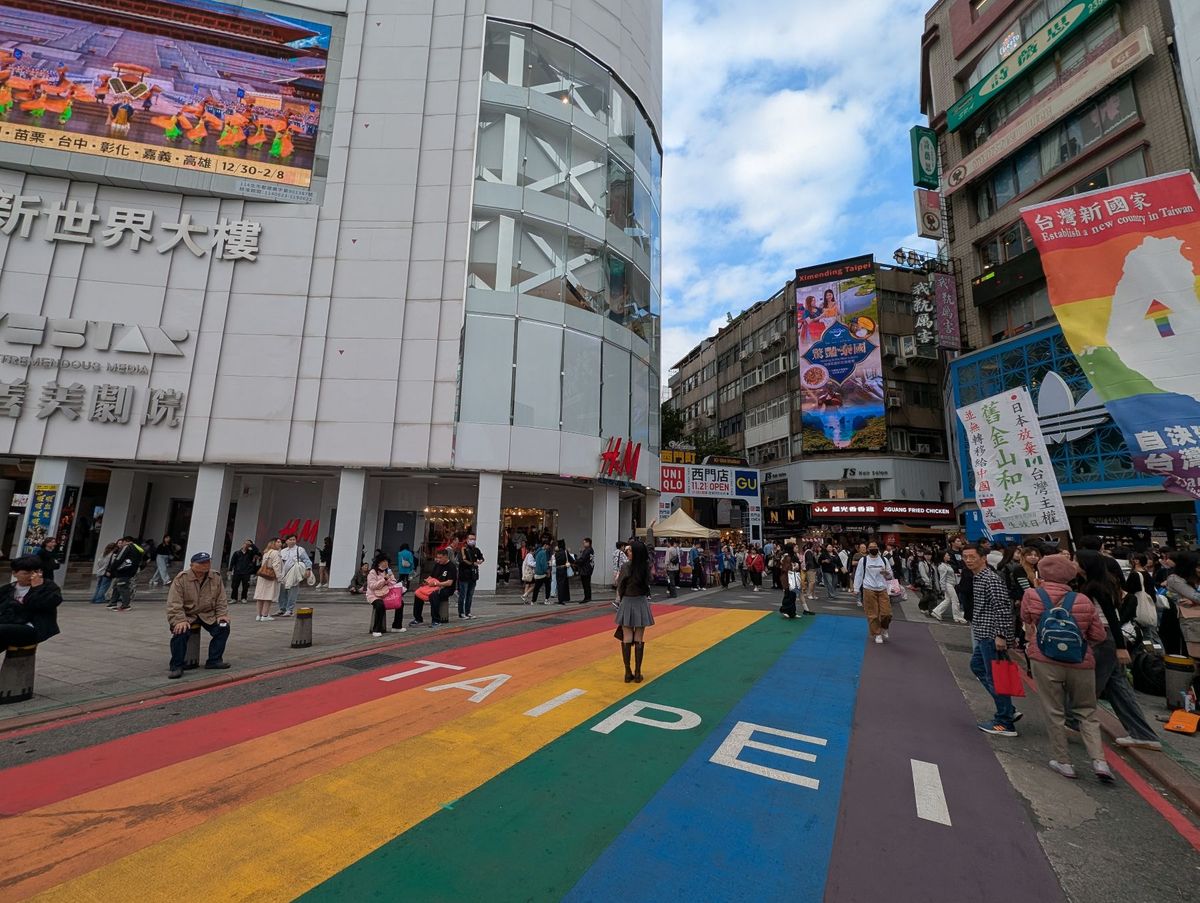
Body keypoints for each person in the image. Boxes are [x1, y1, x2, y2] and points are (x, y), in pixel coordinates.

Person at [1021, 553, 1112, 781]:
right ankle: (1100, 762)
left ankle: (1064, 762)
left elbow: (1027, 619)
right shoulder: (1082, 600)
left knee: (1054, 712)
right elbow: (1098, 635)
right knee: (1087, 712)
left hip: (1044, 659)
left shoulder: (1032, 595)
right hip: (1081, 662)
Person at [1075, 550, 1162, 752]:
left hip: (1104, 639)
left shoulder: (1096, 587)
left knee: (1090, 685)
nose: (1073, 563)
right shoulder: (1098, 584)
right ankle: (1143, 734)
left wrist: (1120, 647)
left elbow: (1112, 618)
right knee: (1117, 687)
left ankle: (1071, 720)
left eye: (1075, 561)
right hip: (1106, 639)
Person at [964, 543, 1019, 737]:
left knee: (995, 677)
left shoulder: (990, 579)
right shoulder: (978, 577)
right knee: (977, 666)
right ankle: (1008, 709)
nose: (969, 560)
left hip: (992, 635)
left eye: (972, 557)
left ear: (983, 558)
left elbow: (1003, 608)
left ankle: (1004, 722)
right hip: (983, 633)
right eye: (965, 557)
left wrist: (1001, 636)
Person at [166, 552, 231, 679]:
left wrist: (222, 614)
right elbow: (174, 603)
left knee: (223, 627)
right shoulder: (181, 578)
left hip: (208, 614)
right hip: (187, 615)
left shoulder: (215, 576)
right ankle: (176, 665)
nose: (205, 565)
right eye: (201, 563)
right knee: (180, 632)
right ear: (192, 565)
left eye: (207, 562)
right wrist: (179, 620)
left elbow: (221, 599)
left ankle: (214, 660)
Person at [0, 555, 62, 649]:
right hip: (10, 624)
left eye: (37, 572)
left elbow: (43, 603)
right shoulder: (8, 589)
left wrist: (36, 588)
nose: (32, 576)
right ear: (14, 573)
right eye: (27, 573)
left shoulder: (48, 586)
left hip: (35, 627)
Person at [615, 540, 654, 683]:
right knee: (639, 637)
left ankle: (627, 672)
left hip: (627, 601)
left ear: (636, 552)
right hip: (641, 602)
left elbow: (620, 586)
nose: (627, 552)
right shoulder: (645, 567)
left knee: (627, 637)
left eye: (630, 550)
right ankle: (638, 672)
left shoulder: (626, 567)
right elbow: (650, 550)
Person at [854, 541, 893, 644]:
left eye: (875, 547)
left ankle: (884, 627)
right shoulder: (864, 560)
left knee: (887, 613)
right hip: (868, 588)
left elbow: (890, 575)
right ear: (868, 549)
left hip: (882, 588)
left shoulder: (884, 560)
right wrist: (856, 589)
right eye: (871, 547)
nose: (873, 548)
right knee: (873, 614)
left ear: (878, 548)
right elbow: (858, 574)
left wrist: (886, 573)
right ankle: (877, 633)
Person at [418, 547, 457, 627]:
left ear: (446, 557)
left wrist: (436, 584)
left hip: (446, 589)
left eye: (440, 558)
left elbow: (449, 583)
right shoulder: (437, 565)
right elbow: (431, 576)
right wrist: (426, 582)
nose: (438, 560)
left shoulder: (451, 567)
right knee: (418, 593)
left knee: (434, 595)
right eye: (437, 557)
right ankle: (418, 618)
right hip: (433, 586)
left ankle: (436, 620)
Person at [274, 534, 312, 617]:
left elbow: (307, 560)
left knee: (292, 592)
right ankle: (282, 608)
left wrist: (308, 569)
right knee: (282, 592)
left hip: (294, 574)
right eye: (290, 539)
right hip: (283, 574)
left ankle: (289, 610)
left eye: (294, 539)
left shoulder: (300, 550)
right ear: (286, 541)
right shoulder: (283, 551)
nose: (292, 541)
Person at [106, 536, 144, 611]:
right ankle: (113, 603)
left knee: (123, 587)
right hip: (131, 571)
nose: (121, 544)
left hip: (123, 571)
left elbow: (119, 559)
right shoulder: (138, 549)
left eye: (122, 542)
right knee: (117, 586)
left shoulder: (127, 547)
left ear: (126, 541)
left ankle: (125, 605)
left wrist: (110, 569)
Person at [366, 553, 399, 637]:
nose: (385, 563)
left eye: (386, 561)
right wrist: (384, 580)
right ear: (379, 562)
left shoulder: (388, 571)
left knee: (400, 603)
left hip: (386, 594)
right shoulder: (373, 572)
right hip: (374, 596)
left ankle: (397, 626)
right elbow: (372, 586)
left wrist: (388, 581)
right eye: (383, 561)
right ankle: (376, 629)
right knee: (380, 605)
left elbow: (394, 582)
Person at [930, 549, 966, 623]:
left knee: (948, 600)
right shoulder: (942, 566)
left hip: (950, 584)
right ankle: (957, 616)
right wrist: (942, 588)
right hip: (948, 584)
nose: (949, 556)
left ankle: (937, 611)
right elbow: (942, 578)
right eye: (947, 555)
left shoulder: (946, 565)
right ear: (943, 556)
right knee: (955, 600)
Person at [253, 538, 282, 622]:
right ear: (274, 543)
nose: (280, 543)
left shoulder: (266, 552)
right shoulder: (276, 553)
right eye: (278, 542)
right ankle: (265, 615)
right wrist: (279, 577)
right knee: (268, 596)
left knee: (260, 596)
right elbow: (276, 566)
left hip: (262, 576)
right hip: (270, 576)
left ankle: (259, 615)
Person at [456, 532, 484, 619]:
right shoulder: (463, 549)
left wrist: (480, 561)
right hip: (464, 575)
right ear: (467, 540)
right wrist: (473, 563)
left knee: (470, 595)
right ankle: (461, 613)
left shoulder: (476, 550)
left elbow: (481, 557)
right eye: (471, 539)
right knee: (463, 595)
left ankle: (468, 612)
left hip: (473, 575)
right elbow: (462, 561)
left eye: (474, 539)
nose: (473, 541)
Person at [228, 539, 258, 604]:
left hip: (246, 572)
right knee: (234, 586)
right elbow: (232, 562)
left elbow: (257, 552)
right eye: (245, 544)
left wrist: (251, 545)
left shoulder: (250, 553)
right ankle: (234, 598)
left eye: (247, 544)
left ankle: (244, 598)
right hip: (237, 572)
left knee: (245, 586)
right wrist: (230, 570)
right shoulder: (237, 553)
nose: (245, 545)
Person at [576, 537, 595, 603]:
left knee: (586, 584)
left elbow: (582, 559)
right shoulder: (591, 550)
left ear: (588, 543)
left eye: (584, 543)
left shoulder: (587, 550)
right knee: (587, 584)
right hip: (589, 569)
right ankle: (588, 597)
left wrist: (576, 561)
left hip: (585, 570)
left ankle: (587, 598)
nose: (583, 544)